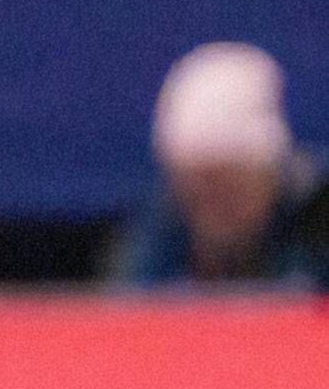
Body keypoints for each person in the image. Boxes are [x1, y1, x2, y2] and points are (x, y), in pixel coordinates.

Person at [112, 41, 323, 286]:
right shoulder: (159, 232)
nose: (214, 211)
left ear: (270, 177)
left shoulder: (314, 221)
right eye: (198, 193)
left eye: (229, 190)